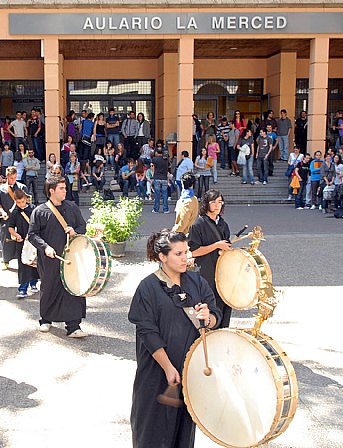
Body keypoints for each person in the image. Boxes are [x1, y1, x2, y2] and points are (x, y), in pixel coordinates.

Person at [128, 229, 219, 448]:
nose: (185, 257)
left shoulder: (197, 281)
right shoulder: (147, 287)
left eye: (186, 252)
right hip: (157, 372)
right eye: (178, 254)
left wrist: (209, 317)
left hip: (189, 371)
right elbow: (148, 332)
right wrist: (168, 367)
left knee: (184, 433)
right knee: (152, 431)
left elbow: (215, 315)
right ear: (162, 257)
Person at [27, 175, 88, 337]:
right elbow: (32, 235)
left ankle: (74, 326)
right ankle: (46, 319)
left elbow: (83, 226)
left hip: (71, 256)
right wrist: (45, 247)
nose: (65, 191)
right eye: (61, 188)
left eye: (65, 188)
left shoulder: (72, 207)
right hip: (49, 258)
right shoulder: (39, 211)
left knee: (73, 288)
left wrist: (75, 231)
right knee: (49, 287)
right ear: (51, 190)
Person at [188, 190, 232, 328]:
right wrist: (216, 245)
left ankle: (222, 329)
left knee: (224, 299)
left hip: (222, 268)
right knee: (210, 300)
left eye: (220, 202)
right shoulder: (198, 225)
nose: (217, 205)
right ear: (206, 204)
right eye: (213, 202)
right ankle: (208, 329)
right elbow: (194, 251)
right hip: (206, 269)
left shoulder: (223, 224)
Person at [7, 189, 40, 299]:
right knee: (23, 265)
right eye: (18, 202)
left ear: (26, 199)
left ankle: (34, 283)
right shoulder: (15, 212)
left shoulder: (33, 209)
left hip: (33, 240)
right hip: (22, 242)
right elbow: (10, 227)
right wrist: (16, 235)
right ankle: (23, 288)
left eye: (22, 202)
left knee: (34, 262)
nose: (21, 204)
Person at [0, 166, 28, 270]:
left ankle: (23, 259)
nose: (12, 179)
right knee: (6, 239)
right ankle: (6, 260)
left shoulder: (22, 187)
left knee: (21, 238)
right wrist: (3, 212)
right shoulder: (0, 189)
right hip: (6, 217)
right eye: (10, 177)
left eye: (14, 177)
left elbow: (28, 201)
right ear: (7, 176)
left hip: (20, 217)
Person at [151, 147, 170, 214]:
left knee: (157, 194)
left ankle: (156, 209)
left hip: (157, 177)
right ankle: (165, 209)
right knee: (165, 194)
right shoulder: (166, 159)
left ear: (156, 152)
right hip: (164, 177)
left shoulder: (154, 159)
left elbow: (152, 167)